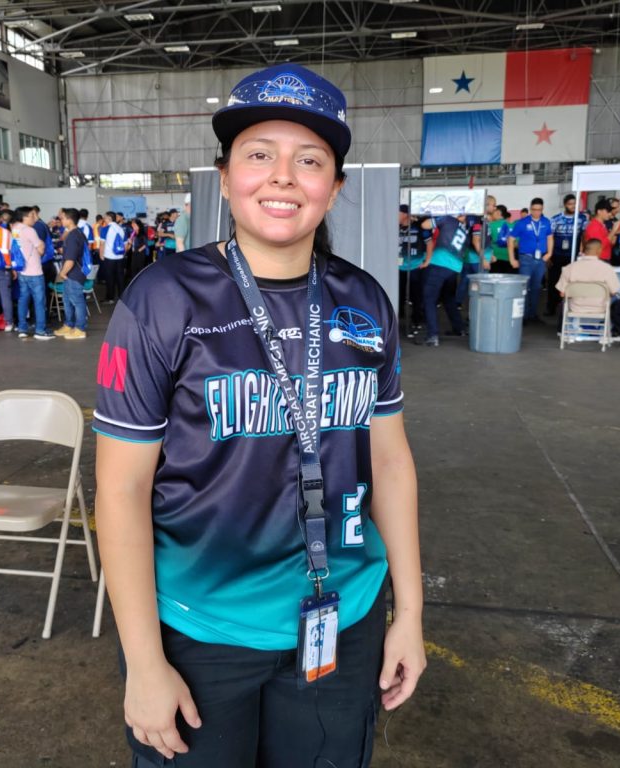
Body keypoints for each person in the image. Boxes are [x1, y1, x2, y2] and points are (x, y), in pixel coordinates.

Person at [94, 63, 424, 768]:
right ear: (224, 178)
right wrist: (144, 663)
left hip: (344, 622)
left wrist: (411, 615)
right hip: (201, 632)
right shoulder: (164, 299)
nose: (283, 177)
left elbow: (391, 462)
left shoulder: (363, 300)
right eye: (259, 155)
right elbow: (121, 489)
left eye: (309, 160)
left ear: (334, 186)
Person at [417, 212, 470, 346]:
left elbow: (425, 225)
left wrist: (436, 218)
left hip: (439, 264)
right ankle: (459, 329)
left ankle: (432, 336)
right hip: (455, 267)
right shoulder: (465, 229)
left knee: (429, 299)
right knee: (448, 298)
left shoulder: (448, 219)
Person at [508, 198, 553, 323]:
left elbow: (550, 237)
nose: (536, 212)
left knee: (537, 287)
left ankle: (533, 314)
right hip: (526, 258)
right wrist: (512, 259)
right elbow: (510, 240)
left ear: (542, 209)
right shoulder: (522, 223)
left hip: (541, 259)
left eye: (539, 210)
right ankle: (523, 315)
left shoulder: (546, 222)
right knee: (524, 287)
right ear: (530, 209)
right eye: (534, 209)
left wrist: (549, 253)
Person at [11, 206, 53, 340]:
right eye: (32, 215)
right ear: (24, 217)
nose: (34, 218)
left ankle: (22, 328)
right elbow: (40, 249)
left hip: (22, 271)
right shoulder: (29, 230)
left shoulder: (15, 229)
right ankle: (40, 330)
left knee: (23, 299)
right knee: (39, 301)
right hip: (34, 270)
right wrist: (41, 246)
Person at [555, 238, 620, 317]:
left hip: (575, 308)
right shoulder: (607, 268)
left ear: (584, 250)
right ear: (599, 250)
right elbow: (614, 292)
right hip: (601, 308)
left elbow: (562, 294)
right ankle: (609, 324)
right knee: (617, 299)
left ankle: (563, 324)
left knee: (563, 303)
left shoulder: (570, 268)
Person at [547, 194, 587, 316]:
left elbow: (584, 237)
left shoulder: (582, 219)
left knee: (573, 282)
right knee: (554, 282)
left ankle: (571, 308)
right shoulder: (555, 219)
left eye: (575, 204)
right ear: (565, 204)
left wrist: (583, 253)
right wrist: (549, 255)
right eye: (570, 204)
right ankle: (551, 308)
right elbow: (550, 238)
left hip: (573, 256)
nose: (573, 206)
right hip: (557, 255)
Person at [56, 208, 88, 340]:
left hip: (74, 274)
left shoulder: (74, 236)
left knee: (77, 301)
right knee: (67, 300)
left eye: (63, 218)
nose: (61, 220)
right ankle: (69, 325)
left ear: (69, 220)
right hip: (72, 273)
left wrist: (62, 273)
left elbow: (70, 260)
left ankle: (80, 329)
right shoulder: (76, 233)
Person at [100, 211, 127, 303]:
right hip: (120, 257)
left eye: (105, 217)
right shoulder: (120, 229)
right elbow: (125, 244)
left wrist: (101, 255)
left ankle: (110, 298)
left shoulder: (105, 229)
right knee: (120, 277)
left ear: (109, 218)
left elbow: (102, 244)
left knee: (109, 278)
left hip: (109, 257)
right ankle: (122, 297)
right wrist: (123, 254)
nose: (104, 219)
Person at [487, 205, 515, 273]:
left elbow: (487, 242)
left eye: (493, 212)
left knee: (494, 279)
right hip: (510, 258)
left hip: (495, 257)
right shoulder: (513, 226)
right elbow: (516, 243)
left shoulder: (491, 225)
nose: (492, 214)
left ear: (498, 213)